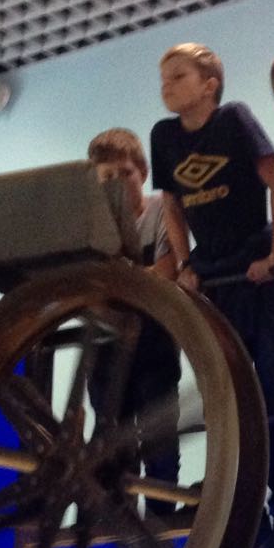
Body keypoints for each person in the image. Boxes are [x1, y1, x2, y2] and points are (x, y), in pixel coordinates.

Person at [149, 43, 274, 548]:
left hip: (259, 275)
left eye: (179, 76)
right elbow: (172, 204)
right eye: (164, 78)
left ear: (209, 85)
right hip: (216, 277)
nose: (167, 86)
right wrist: (185, 263)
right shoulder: (163, 136)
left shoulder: (234, 119)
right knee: (225, 403)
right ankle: (245, 508)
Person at [85, 128, 181, 510]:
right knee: (110, 436)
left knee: (159, 435)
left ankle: (161, 516)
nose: (118, 182)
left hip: (154, 339)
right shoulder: (93, 225)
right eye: (107, 176)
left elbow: (170, 268)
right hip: (107, 345)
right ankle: (113, 520)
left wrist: (122, 286)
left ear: (143, 172)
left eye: (125, 173)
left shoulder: (162, 210)